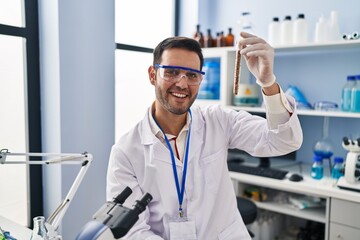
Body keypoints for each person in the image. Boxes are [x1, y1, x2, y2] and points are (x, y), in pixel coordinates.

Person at [106, 31, 303, 240]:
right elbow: (132, 232)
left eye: (191, 75)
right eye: (172, 72)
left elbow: (284, 141)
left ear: (200, 80)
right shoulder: (126, 152)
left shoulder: (218, 120)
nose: (182, 84)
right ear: (153, 75)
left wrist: (267, 82)